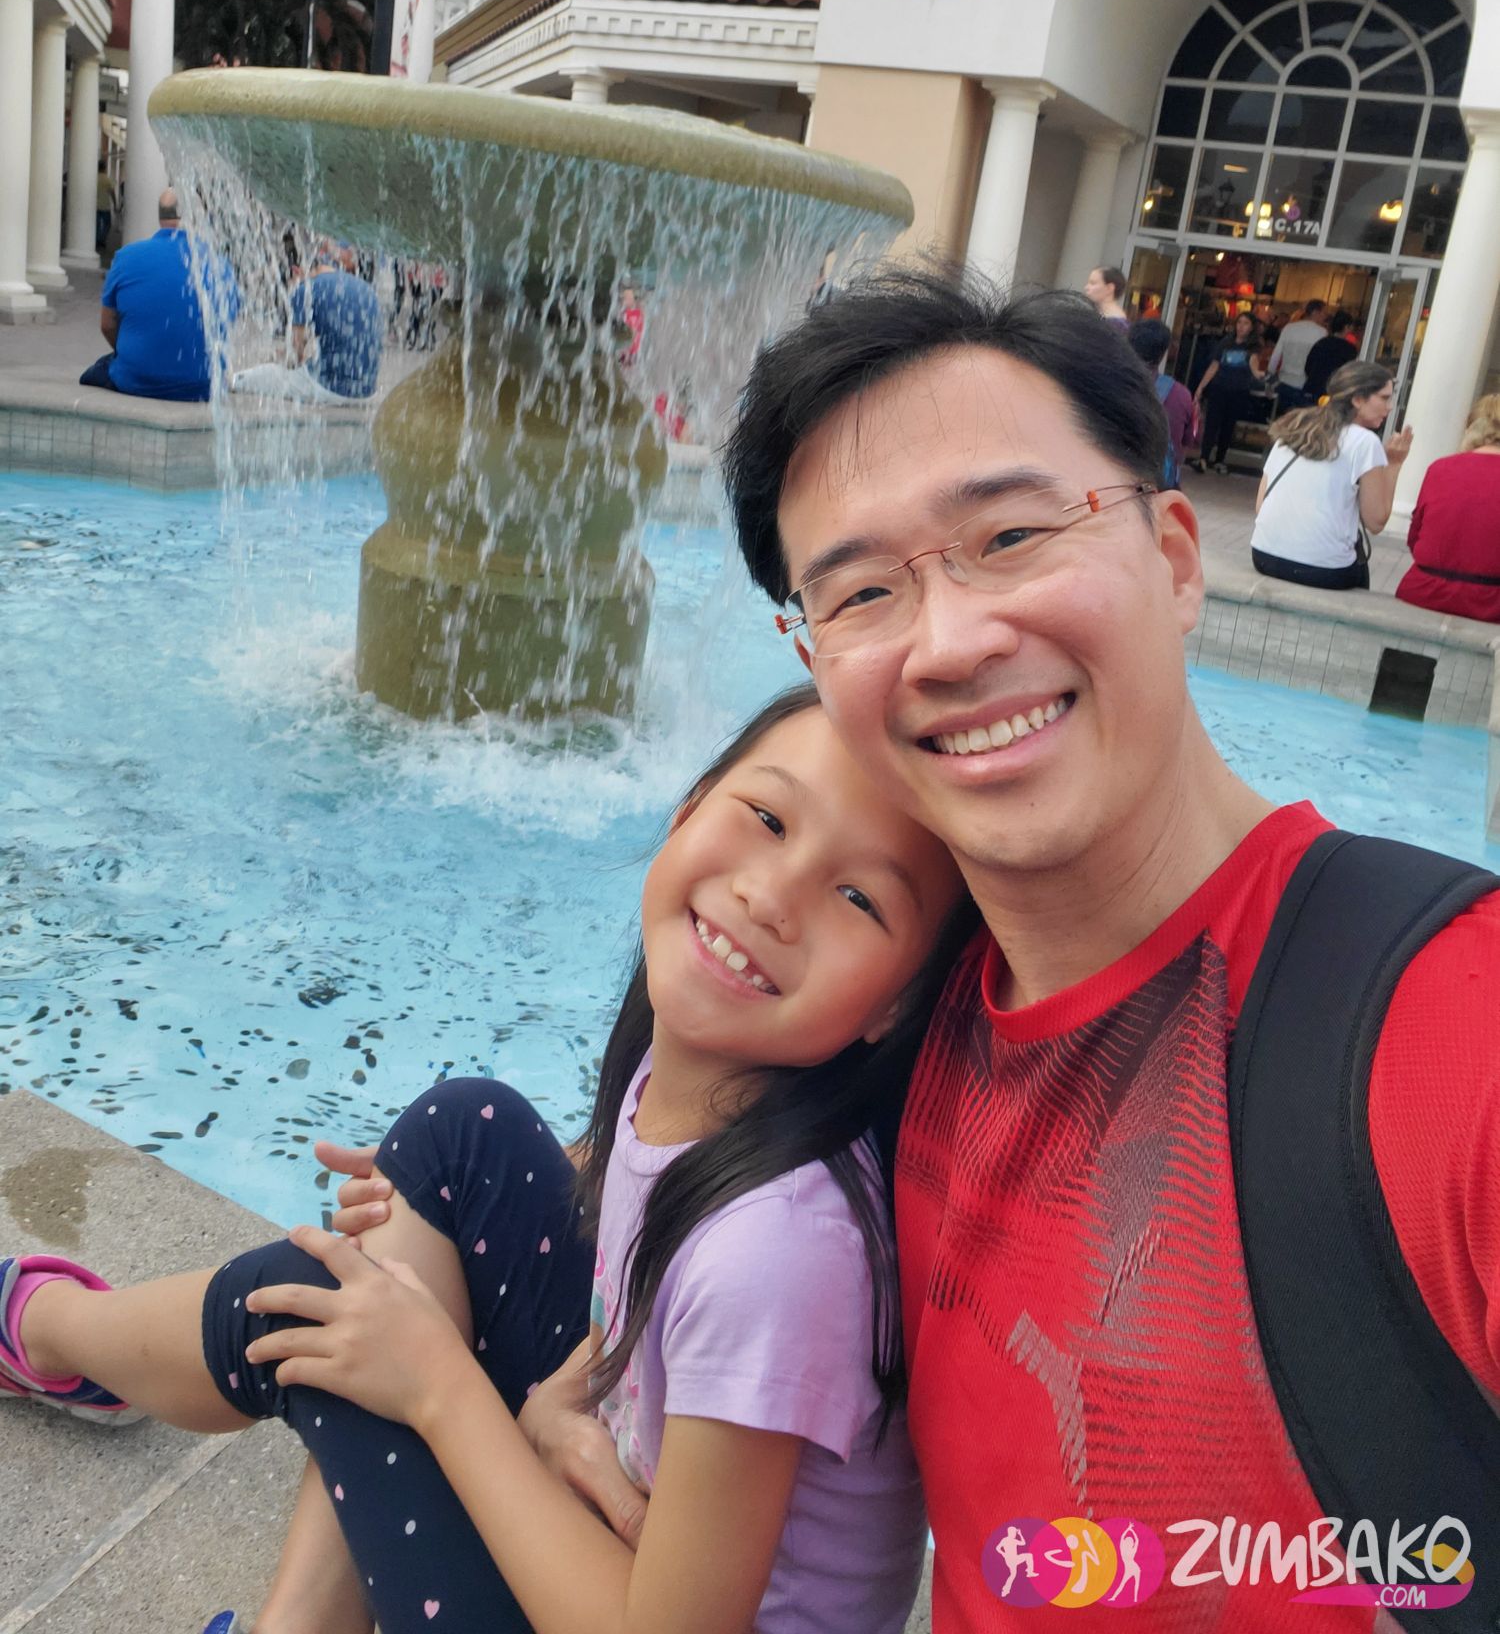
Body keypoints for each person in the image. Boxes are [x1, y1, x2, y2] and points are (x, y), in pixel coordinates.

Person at [471, 264, 1497, 1633]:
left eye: (1009, 535)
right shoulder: (895, 1000)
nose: (949, 642)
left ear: (1175, 558)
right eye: (861, 593)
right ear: (814, 661)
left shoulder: (1452, 1033)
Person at [1, 685, 971, 1634]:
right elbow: (644, 1270)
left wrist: (437, 1383)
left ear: (897, 1003)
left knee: (327, 1302)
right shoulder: (711, 1089)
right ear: (688, 807)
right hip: (631, 1509)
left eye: (858, 897)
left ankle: (45, 1330)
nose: (773, 895)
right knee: (463, 1139)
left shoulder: (777, 1250)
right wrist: (545, 1387)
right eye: (766, 817)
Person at [1250, 359, 1411, 591]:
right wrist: (1394, 464)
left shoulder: (1293, 426)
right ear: (1358, 399)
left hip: (1263, 555)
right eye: (1384, 398)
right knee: (1357, 565)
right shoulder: (1365, 442)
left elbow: (1260, 505)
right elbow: (1376, 522)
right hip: (1323, 570)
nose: (1390, 407)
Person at [78, 189, 236, 402]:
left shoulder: (126, 257)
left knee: (96, 370)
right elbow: (226, 322)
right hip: (204, 386)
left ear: (160, 217)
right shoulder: (220, 264)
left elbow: (107, 325)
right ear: (194, 216)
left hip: (136, 379)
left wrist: (136, 353)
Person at [1395, 391, 1500, 622]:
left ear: (1471, 428)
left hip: (1425, 590)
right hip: (1491, 603)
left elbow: (1415, 536)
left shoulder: (1440, 468)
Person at [232, 243, 382, 402]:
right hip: (367, 391)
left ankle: (230, 381)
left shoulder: (304, 289)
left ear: (296, 272)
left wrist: (276, 356)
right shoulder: (365, 288)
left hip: (330, 388)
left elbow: (295, 354)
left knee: (261, 375)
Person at [1190, 308, 1265, 472]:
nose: (1241, 326)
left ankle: (1220, 459)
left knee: (1228, 425)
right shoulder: (1225, 342)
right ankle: (1204, 457)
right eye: (1239, 322)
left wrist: (1258, 374)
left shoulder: (1253, 347)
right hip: (1219, 388)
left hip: (1238, 390)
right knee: (1212, 423)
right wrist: (1201, 387)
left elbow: (1254, 365)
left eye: (1246, 323)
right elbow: (1214, 366)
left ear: (1252, 327)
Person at [1125, 316, 1196, 488]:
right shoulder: (1182, 395)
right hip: (1161, 485)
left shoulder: (1111, 385)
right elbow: (1187, 443)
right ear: (1164, 352)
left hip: (1118, 481)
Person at [1265, 299, 1328, 415]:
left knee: (1281, 419)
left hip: (1284, 382)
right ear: (1315, 312)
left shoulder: (1289, 328)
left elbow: (1275, 356)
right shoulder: (1322, 333)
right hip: (1305, 386)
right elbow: (1320, 363)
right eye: (1324, 313)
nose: (1325, 317)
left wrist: (1269, 381)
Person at [1300, 307, 1360, 402]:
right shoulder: (1349, 349)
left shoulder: (1321, 342)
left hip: (1311, 388)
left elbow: (1308, 366)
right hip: (1330, 393)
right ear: (1346, 327)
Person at [1082, 264, 1130, 329]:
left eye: (1093, 283)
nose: (1086, 287)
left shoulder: (1117, 324)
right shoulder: (1096, 314)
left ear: (1109, 288)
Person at [94, 166, 116, 255]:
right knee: (107, 224)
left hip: (95, 205)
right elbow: (112, 192)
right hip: (105, 206)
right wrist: (115, 203)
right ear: (104, 169)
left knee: (97, 224)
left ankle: (96, 240)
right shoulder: (107, 179)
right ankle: (101, 240)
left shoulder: (94, 178)